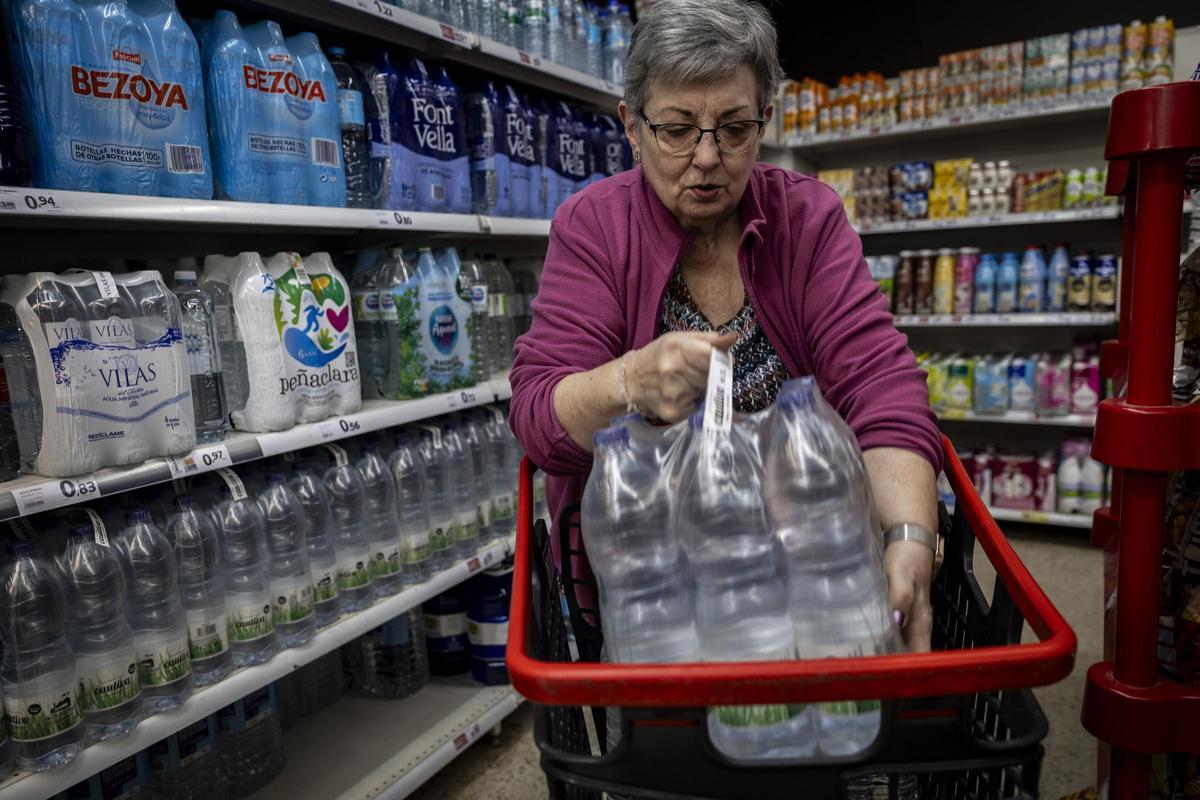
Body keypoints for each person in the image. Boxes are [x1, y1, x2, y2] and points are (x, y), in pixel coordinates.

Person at [509, 0, 941, 651]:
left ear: (765, 120)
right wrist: (628, 382)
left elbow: (880, 384)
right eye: (678, 129)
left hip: (808, 575)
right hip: (656, 595)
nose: (707, 157)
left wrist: (910, 538)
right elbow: (540, 414)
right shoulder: (594, 225)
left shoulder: (807, 219)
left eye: (734, 128)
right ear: (631, 126)